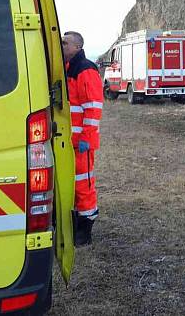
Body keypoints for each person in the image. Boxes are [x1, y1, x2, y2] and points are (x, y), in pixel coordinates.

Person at [62, 31, 103, 246]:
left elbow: (93, 107)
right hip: (67, 141)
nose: (62, 45)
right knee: (71, 183)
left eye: (65, 42)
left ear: (77, 47)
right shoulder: (67, 69)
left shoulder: (85, 69)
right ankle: (76, 222)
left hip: (81, 143)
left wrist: (86, 138)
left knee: (83, 184)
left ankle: (85, 228)